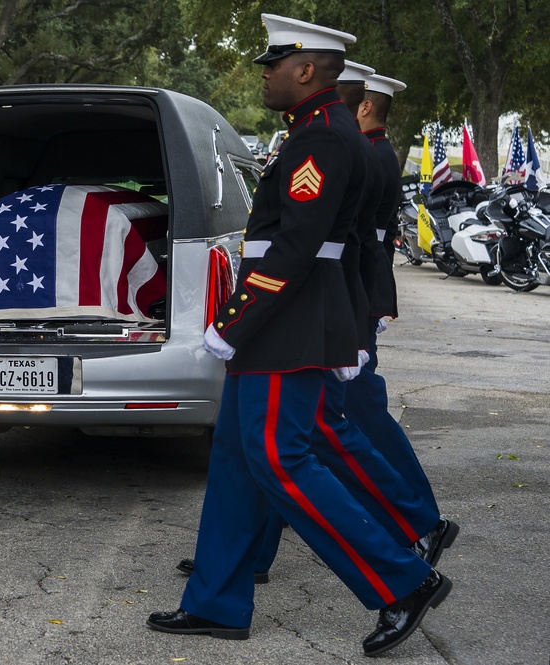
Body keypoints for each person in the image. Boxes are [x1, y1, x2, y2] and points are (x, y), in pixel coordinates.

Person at [146, 15, 452, 658]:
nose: (263, 73)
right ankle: (217, 602)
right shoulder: (314, 134)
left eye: (273, 63)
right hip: (285, 325)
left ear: (306, 69)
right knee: (236, 459)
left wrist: (233, 322)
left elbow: (295, 248)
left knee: (284, 462)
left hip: (287, 328)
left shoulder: (324, 140)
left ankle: (402, 582)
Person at [346, 73, 444, 514]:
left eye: (347, 100)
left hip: (357, 295)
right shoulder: (378, 153)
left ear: (365, 107)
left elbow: (364, 239)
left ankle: (417, 510)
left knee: (361, 410)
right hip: (362, 292)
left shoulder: (371, 156)